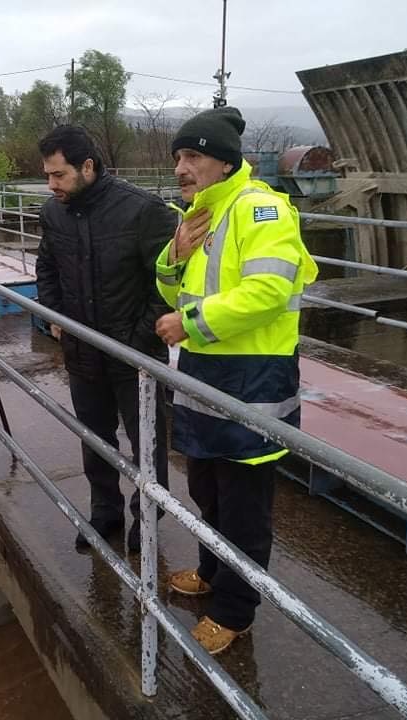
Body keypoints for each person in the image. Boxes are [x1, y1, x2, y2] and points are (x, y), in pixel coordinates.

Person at [153, 106, 318, 655]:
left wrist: (190, 323)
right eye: (178, 156)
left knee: (244, 508)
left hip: (254, 380)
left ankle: (234, 611)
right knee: (206, 491)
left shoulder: (262, 209)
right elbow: (171, 290)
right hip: (204, 374)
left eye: (193, 155)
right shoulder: (201, 215)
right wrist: (175, 254)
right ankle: (209, 571)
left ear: (225, 163)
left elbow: (268, 291)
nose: (181, 166)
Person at [35, 125, 176, 552]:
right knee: (94, 438)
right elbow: (46, 266)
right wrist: (54, 317)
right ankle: (105, 513)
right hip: (81, 349)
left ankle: (147, 520)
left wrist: (137, 340)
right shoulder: (53, 212)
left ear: (88, 166)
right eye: (48, 175)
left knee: (147, 444)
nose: (51, 184)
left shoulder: (143, 211)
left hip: (135, 355)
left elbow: (168, 283)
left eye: (58, 175)